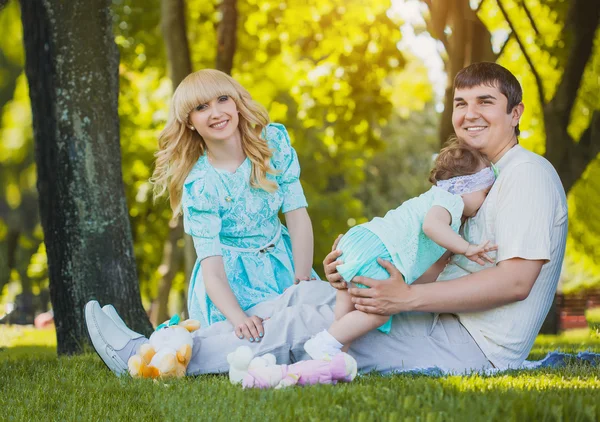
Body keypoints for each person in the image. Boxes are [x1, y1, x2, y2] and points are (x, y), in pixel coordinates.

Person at [86, 62, 567, 376]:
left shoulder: (526, 175)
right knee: (303, 295)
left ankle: (142, 358)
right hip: (442, 316)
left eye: (486, 103)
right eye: (461, 103)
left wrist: (405, 297)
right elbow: (438, 254)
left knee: (302, 322)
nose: (469, 115)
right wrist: (369, 274)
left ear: (517, 113)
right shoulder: (478, 178)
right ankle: (165, 343)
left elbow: (516, 282)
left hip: (470, 344)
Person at [154, 69, 318, 341]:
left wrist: (301, 283)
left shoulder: (273, 145)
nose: (216, 112)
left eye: (222, 99)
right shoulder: (201, 185)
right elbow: (213, 272)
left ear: (237, 103)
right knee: (275, 331)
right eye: (201, 107)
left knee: (317, 313)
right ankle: (164, 343)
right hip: (234, 287)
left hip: (285, 263)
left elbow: (297, 215)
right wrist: (240, 318)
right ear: (191, 121)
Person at [303, 141, 497, 359]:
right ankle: (325, 342)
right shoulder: (451, 200)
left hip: (362, 239)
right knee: (379, 312)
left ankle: (335, 358)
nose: (486, 200)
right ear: (465, 187)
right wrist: (467, 248)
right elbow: (431, 226)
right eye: (485, 191)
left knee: (347, 310)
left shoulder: (436, 200)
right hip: (380, 250)